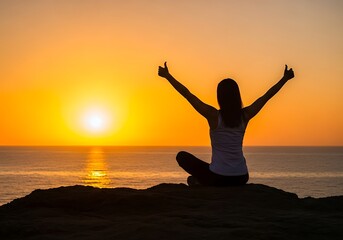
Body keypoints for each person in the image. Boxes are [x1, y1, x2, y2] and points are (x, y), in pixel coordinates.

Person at [158, 62, 295, 186]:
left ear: (220, 96)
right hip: (241, 177)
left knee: (182, 156)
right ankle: (200, 182)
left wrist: (167, 76)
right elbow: (266, 96)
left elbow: (187, 94)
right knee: (205, 171)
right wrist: (285, 79)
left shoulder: (213, 116)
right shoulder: (245, 115)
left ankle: (200, 183)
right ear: (237, 96)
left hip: (219, 178)